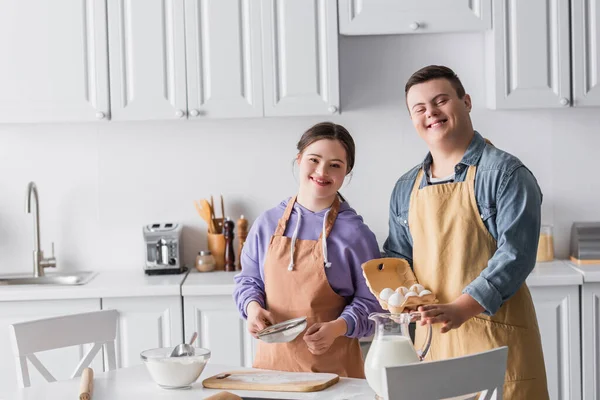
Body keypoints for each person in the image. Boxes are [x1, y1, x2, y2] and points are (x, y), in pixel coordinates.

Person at [383, 65, 549, 399]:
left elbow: (515, 256)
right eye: (420, 109)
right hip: (433, 346)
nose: (431, 112)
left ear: (466, 102)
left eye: (440, 100)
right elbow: (399, 258)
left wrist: (462, 307)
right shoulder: (405, 188)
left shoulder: (505, 173)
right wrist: (395, 296)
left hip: (497, 345)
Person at [233, 122, 382, 378]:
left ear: (347, 172)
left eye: (335, 164)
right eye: (314, 159)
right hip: (271, 373)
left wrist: (337, 327)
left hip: (335, 378)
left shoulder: (356, 234)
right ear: (299, 159)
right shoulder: (267, 223)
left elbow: (374, 304)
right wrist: (252, 308)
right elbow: (249, 279)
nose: (322, 171)